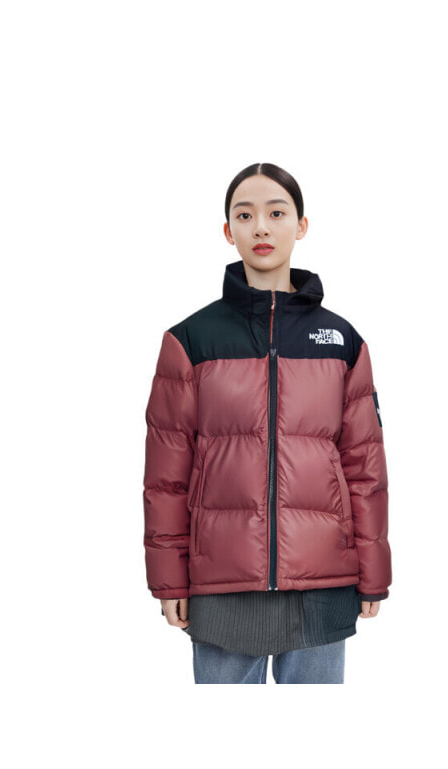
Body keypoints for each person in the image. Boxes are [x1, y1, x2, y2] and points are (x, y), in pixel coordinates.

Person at [143, 162, 392, 684]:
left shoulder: (343, 342)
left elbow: (365, 469)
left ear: (301, 225)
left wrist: (373, 571)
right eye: (245, 215)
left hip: (322, 581)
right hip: (223, 583)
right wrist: (168, 578)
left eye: (276, 213)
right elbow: (166, 478)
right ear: (227, 230)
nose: (260, 226)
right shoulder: (190, 341)